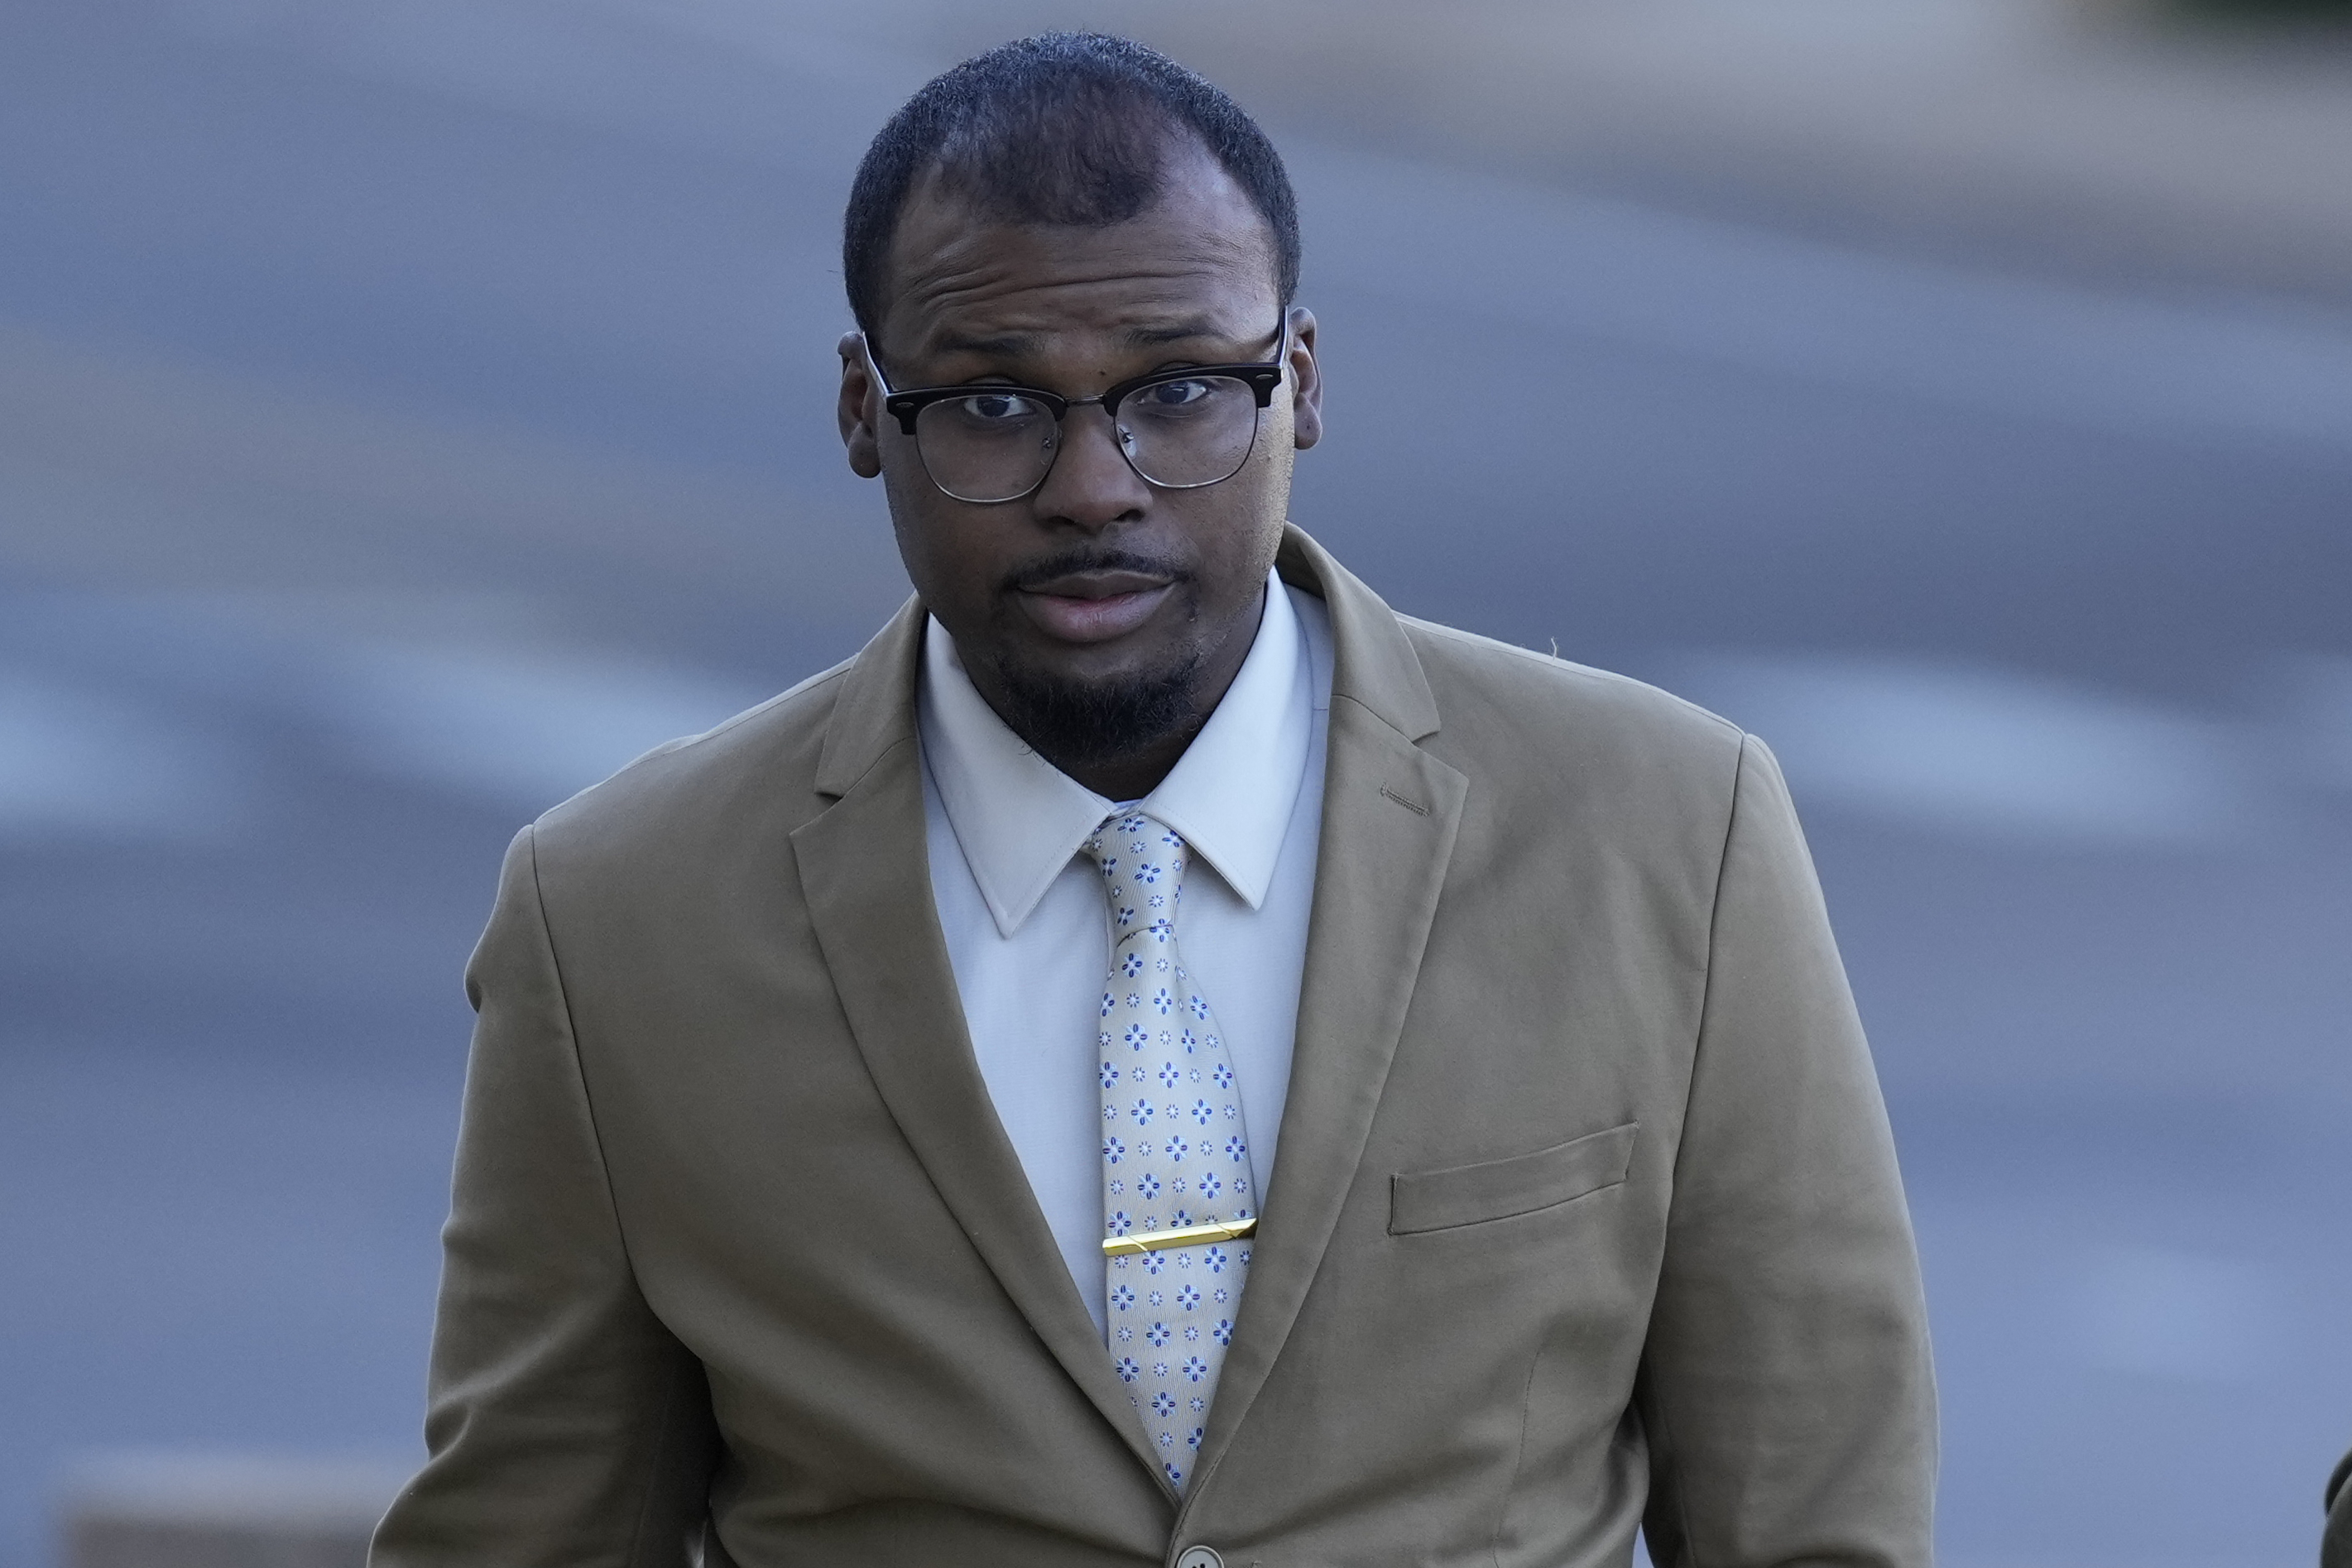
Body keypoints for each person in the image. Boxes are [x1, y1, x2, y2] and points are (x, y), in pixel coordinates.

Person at [371, 32, 1934, 1568]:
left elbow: (1812, 1520)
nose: (1093, 484)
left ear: (1298, 383)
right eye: (990, 404)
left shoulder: (1667, 828)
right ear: (864, 408)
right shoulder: (617, 919)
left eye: (1180, 389)